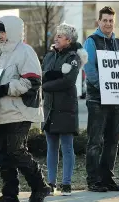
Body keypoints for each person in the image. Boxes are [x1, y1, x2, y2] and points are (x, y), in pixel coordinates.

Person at [0, 16, 50, 202]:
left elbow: (33, 82)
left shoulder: (25, 52)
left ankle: (40, 186)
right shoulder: (4, 55)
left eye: (3, 31)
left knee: (16, 151)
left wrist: (6, 88)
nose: (0, 35)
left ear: (13, 31)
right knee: (3, 155)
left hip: (20, 111)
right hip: (3, 113)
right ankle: (10, 194)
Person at [83, 6, 119, 192]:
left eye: (111, 20)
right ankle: (93, 180)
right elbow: (89, 69)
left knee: (112, 141)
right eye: (105, 20)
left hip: (117, 99)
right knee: (95, 141)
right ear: (98, 22)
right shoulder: (91, 42)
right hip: (97, 100)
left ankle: (107, 177)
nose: (108, 23)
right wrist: (105, 88)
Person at [41, 22, 88, 196]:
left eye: (60, 36)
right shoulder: (49, 56)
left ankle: (66, 184)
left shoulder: (74, 57)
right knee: (51, 147)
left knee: (67, 148)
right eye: (57, 35)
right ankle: (51, 183)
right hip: (50, 108)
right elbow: (43, 75)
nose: (56, 38)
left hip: (66, 109)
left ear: (68, 40)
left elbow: (68, 81)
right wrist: (52, 77)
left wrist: (47, 86)